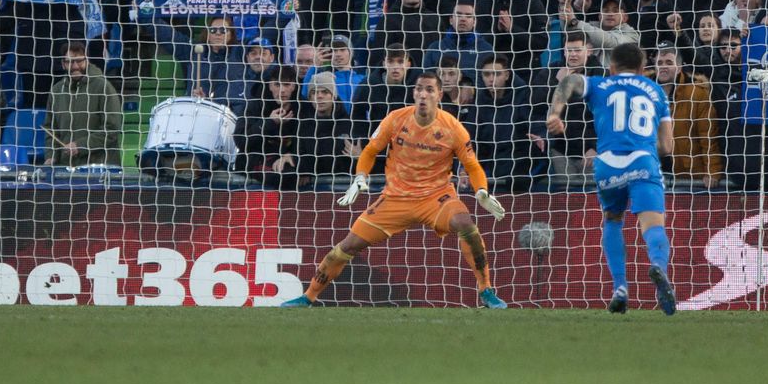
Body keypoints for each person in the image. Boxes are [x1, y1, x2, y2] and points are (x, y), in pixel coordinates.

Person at [282, 69, 507, 308]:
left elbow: (472, 165)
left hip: (436, 197)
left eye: (429, 89)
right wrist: (360, 177)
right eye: (419, 89)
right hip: (395, 198)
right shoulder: (396, 118)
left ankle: (486, 291)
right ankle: (309, 296)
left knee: (466, 224)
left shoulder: (453, 128)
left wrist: (482, 191)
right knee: (347, 246)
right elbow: (369, 151)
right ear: (413, 92)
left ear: (440, 94)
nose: (423, 94)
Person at [548, 41, 677, 315]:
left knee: (613, 219)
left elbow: (569, 80)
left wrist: (555, 113)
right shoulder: (656, 92)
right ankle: (658, 266)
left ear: (611, 68)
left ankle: (620, 286)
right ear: (644, 69)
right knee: (652, 222)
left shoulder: (600, 85)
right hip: (642, 160)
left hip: (606, 164)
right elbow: (667, 147)